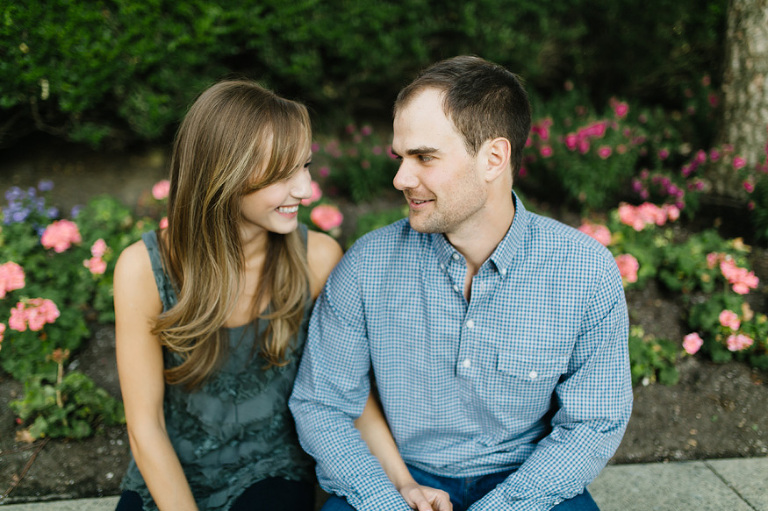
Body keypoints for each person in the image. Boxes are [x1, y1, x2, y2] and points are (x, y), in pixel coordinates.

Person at [289, 56, 633, 511]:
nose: (400, 178)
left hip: (527, 481)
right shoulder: (367, 267)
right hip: (400, 477)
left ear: (493, 158)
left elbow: (592, 423)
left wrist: (505, 505)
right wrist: (384, 498)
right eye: (400, 157)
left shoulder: (584, 272)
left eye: (424, 157)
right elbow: (322, 405)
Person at [113, 80, 450, 511]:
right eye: (282, 174)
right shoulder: (143, 270)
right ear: (223, 175)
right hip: (170, 468)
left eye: (305, 166)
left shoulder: (317, 259)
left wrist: (403, 484)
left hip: (270, 472)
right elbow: (146, 427)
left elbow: (348, 395)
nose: (304, 189)